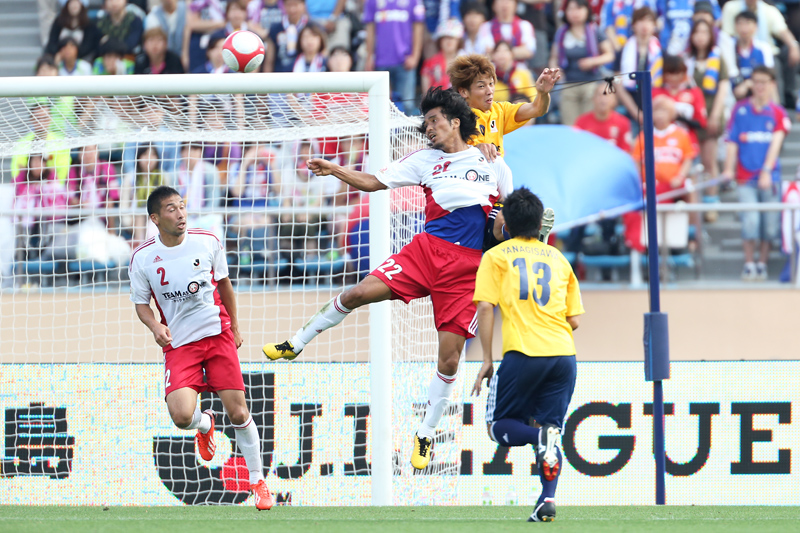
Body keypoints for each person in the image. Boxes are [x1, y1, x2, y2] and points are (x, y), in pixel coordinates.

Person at [262, 87, 513, 470]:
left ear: (455, 121)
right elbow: (372, 182)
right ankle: (296, 343)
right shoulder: (424, 161)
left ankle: (425, 433)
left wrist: (509, 229)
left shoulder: (492, 162)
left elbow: (506, 221)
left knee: (449, 361)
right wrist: (335, 169)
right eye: (425, 122)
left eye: (434, 120)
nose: (428, 128)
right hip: (426, 252)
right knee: (360, 291)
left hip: (467, 271)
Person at [129, 186, 274, 511]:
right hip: (179, 344)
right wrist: (155, 327)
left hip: (216, 334)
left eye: (182, 206)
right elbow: (141, 304)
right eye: (171, 209)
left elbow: (224, 284)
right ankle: (205, 424)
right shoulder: (142, 258)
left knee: (238, 411)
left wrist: (235, 325)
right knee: (181, 416)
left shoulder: (207, 240)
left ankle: (258, 482)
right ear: (155, 218)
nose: (180, 213)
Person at [471, 187, 584, 523]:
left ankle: (541, 438)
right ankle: (546, 501)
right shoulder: (559, 259)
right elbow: (574, 320)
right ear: (538, 224)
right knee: (551, 430)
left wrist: (488, 359)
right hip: (564, 356)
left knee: (498, 427)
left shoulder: (496, 256)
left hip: (523, 353)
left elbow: (485, 307)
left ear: (506, 225)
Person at [447, 54, 558, 242]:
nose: (490, 90)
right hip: (466, 195)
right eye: (482, 86)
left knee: (501, 223)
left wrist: (542, 93)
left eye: (491, 84)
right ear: (464, 92)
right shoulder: (454, 118)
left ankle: (529, 234)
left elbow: (537, 109)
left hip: (493, 193)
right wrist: (475, 148)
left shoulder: (499, 111)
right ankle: (526, 228)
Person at [721, 66, 790, 281]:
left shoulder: (778, 112)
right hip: (744, 178)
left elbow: (776, 144)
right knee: (750, 221)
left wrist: (767, 171)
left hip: (770, 179)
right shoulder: (740, 110)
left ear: (772, 85)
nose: (760, 86)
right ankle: (749, 264)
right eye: (756, 82)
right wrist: (728, 169)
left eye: (764, 82)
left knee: (770, 225)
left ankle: (762, 264)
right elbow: (732, 141)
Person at [684, 18, 731, 210]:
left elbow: (723, 89)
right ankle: (695, 204)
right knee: (694, 163)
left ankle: (711, 202)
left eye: (705, 32)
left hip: (712, 114)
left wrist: (715, 115)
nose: (701, 37)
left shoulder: (718, 59)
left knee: (709, 160)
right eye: (697, 32)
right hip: (692, 119)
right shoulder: (687, 61)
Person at [549, 0, 615, 125]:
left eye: (578, 8)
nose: (575, 13)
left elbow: (609, 55)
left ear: (586, 10)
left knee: (589, 125)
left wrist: (592, 61)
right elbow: (554, 57)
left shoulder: (594, 30)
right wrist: (556, 69)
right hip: (569, 84)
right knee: (570, 126)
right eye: (571, 9)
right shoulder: (562, 32)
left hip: (591, 84)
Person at [363, 0, 425, 115]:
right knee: (379, 105)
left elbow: (418, 27)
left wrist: (415, 56)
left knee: (406, 106)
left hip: (405, 61)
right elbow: (370, 29)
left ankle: (404, 133)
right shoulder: (372, 1)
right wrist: (369, 56)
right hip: (380, 62)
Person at [652, 55, 707, 151]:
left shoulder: (694, 93)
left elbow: (701, 122)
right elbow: (646, 119)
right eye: (670, 73)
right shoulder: (656, 93)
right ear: (664, 74)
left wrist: (677, 116)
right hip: (660, 145)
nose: (674, 77)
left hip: (688, 143)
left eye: (678, 73)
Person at [731, 11, 776, 101]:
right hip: (734, 94)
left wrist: (749, 83)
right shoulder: (730, 47)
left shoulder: (764, 48)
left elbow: (770, 76)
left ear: (756, 27)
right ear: (735, 27)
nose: (744, 28)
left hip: (759, 93)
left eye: (748, 23)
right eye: (740, 23)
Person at [265, 0, 309, 72]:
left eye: (296, 5)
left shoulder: (312, 28)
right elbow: (269, 60)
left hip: (305, 75)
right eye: (289, 5)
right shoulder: (275, 29)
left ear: (303, 5)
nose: (292, 9)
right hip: (280, 74)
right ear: (284, 6)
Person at [421, 19, 463, 92]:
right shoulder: (429, 63)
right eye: (445, 37)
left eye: (452, 38)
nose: (449, 41)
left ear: (458, 41)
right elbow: (426, 93)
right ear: (440, 41)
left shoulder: (465, 62)